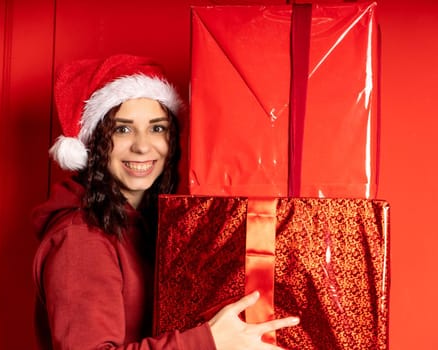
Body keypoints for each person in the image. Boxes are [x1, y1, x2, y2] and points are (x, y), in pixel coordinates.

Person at [32, 54, 299, 349]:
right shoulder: (80, 237)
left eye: (157, 128)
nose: (143, 145)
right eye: (122, 129)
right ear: (93, 142)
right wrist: (208, 341)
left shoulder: (151, 223)